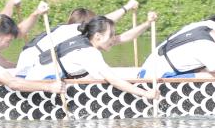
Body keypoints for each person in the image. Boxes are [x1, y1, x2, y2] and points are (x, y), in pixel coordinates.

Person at [23, 15, 157, 99]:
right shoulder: (89, 53)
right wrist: (145, 93)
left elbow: (123, 38)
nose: (113, 39)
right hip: (39, 87)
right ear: (98, 36)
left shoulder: (83, 39)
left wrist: (147, 23)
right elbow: (114, 81)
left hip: (39, 79)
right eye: (111, 35)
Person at [15, 0, 147, 76]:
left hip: (33, 63)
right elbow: (106, 20)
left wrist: (147, 23)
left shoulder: (76, 36)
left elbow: (119, 37)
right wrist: (127, 7)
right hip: (32, 67)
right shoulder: (75, 32)